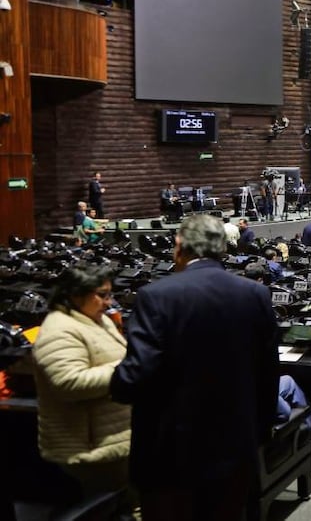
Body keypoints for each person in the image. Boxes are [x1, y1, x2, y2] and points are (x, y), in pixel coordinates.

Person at [110, 214, 279, 519]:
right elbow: (268, 374)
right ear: (222, 247)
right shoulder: (255, 294)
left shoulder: (156, 296)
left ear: (179, 247)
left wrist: (115, 377)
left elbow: (133, 379)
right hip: (235, 448)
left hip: (170, 456)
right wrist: (258, 433)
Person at [33, 264, 131, 500]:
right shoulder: (59, 330)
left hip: (110, 438)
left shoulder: (97, 319)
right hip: (88, 446)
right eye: (102, 294)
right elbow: (69, 383)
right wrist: (128, 369)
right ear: (75, 294)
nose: (109, 302)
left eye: (110, 294)